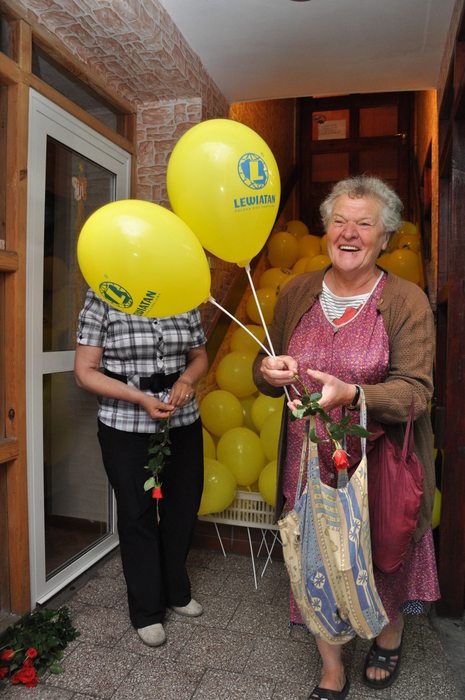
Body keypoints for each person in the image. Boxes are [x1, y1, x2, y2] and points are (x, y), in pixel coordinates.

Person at [252, 175, 439, 699]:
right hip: (307, 463)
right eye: (339, 221)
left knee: (381, 554)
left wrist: (355, 394)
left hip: (378, 464)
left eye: (364, 223)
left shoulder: (406, 300)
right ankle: (331, 667)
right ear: (326, 229)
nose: (349, 233)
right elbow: (264, 367)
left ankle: (388, 635)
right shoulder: (296, 291)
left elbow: (417, 394)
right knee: (315, 560)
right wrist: (267, 371)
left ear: (386, 236)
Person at [74, 288, 208, 648]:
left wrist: (187, 380)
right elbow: (84, 372)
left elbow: (199, 356)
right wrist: (139, 397)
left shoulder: (182, 291)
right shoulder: (103, 294)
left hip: (182, 423)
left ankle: (176, 591)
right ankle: (147, 610)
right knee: (138, 513)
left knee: (183, 507)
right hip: (125, 426)